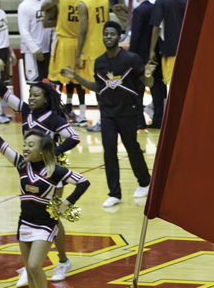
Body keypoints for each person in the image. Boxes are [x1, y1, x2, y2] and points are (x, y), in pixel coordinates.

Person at [0, 115, 90, 288]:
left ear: (43, 150)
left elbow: (83, 182)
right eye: (25, 144)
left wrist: (68, 202)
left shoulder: (55, 171)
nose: (25, 148)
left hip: (46, 223)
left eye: (31, 145)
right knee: (29, 269)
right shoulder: (20, 164)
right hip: (24, 222)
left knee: (36, 265)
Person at [0, 67, 82, 285]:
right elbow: (4, 94)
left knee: (52, 214)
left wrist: (51, 154)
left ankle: (62, 261)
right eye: (30, 95)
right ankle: (32, 263)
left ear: (46, 98)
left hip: (51, 168)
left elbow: (73, 138)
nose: (31, 98)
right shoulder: (26, 111)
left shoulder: (54, 118)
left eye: (36, 95)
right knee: (32, 209)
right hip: (31, 166)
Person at [61, 21, 154, 207]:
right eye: (106, 34)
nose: (108, 37)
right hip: (108, 113)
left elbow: (148, 84)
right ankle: (114, 193)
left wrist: (149, 75)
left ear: (119, 37)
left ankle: (145, 182)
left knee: (132, 148)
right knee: (109, 150)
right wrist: (76, 78)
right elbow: (98, 87)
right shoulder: (99, 62)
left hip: (128, 111)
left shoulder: (131, 58)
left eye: (112, 34)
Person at [48, 0, 89, 126]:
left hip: (64, 43)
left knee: (60, 79)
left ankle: (57, 111)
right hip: (78, 42)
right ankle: (77, 111)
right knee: (77, 79)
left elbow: (44, 6)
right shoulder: (83, 1)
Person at [129, 0, 165, 129]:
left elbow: (136, 35)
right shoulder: (155, 7)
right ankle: (158, 120)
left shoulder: (138, 10)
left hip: (140, 56)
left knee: (138, 89)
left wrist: (130, 55)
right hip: (155, 53)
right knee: (157, 88)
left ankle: (140, 121)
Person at [78, 0, 110, 132]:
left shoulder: (83, 3)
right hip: (106, 47)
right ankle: (107, 119)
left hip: (92, 50)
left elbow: (82, 30)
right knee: (107, 87)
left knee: (99, 88)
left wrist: (78, 54)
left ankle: (104, 120)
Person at [150, 0, 187, 86]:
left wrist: (152, 49)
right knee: (183, 84)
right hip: (183, 49)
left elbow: (156, 26)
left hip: (169, 49)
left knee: (170, 85)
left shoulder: (161, 0)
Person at [19, 0, 50, 84]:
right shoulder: (24, 6)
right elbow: (23, 31)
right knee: (35, 84)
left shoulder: (46, 2)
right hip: (31, 52)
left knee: (47, 84)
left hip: (46, 50)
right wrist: (35, 49)